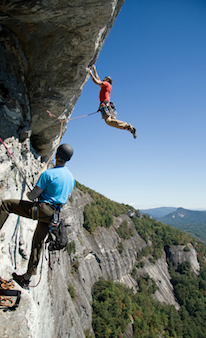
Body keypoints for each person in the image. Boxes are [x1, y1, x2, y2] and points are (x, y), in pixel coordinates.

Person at [0, 143, 75, 289]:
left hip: (42, 210)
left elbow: (32, 196)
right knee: (37, 244)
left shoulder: (49, 174)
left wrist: (30, 194)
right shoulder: (71, 179)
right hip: (54, 215)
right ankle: (26, 278)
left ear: (56, 155)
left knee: (6, 205)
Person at [89, 65, 137, 138]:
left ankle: (128, 127)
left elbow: (96, 81)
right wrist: (94, 70)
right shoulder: (106, 86)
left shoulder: (107, 84)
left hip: (105, 105)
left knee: (108, 121)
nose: (103, 79)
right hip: (107, 105)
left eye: (104, 79)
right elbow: (98, 79)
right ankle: (129, 128)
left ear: (108, 80)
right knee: (113, 121)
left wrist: (90, 73)